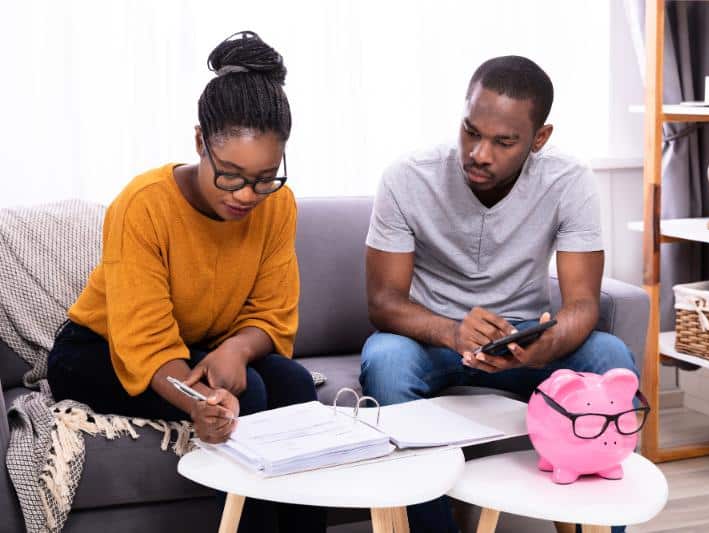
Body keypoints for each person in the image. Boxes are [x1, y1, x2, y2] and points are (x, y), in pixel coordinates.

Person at [47, 31, 326, 533]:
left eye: (266, 177)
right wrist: (201, 403)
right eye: (232, 174)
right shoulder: (143, 205)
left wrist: (238, 351)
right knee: (253, 397)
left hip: (204, 344)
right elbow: (146, 341)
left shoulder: (279, 206)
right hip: (99, 350)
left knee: (297, 384)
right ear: (200, 142)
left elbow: (274, 313)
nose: (248, 195)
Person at [360, 56, 636, 533]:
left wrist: (544, 346)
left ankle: (599, 524)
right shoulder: (407, 178)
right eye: (471, 131)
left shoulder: (568, 182)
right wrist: (451, 331)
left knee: (608, 354)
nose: (479, 153)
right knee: (385, 358)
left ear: (539, 139)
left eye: (503, 141)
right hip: (432, 342)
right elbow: (383, 302)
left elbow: (583, 304)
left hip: (525, 344)